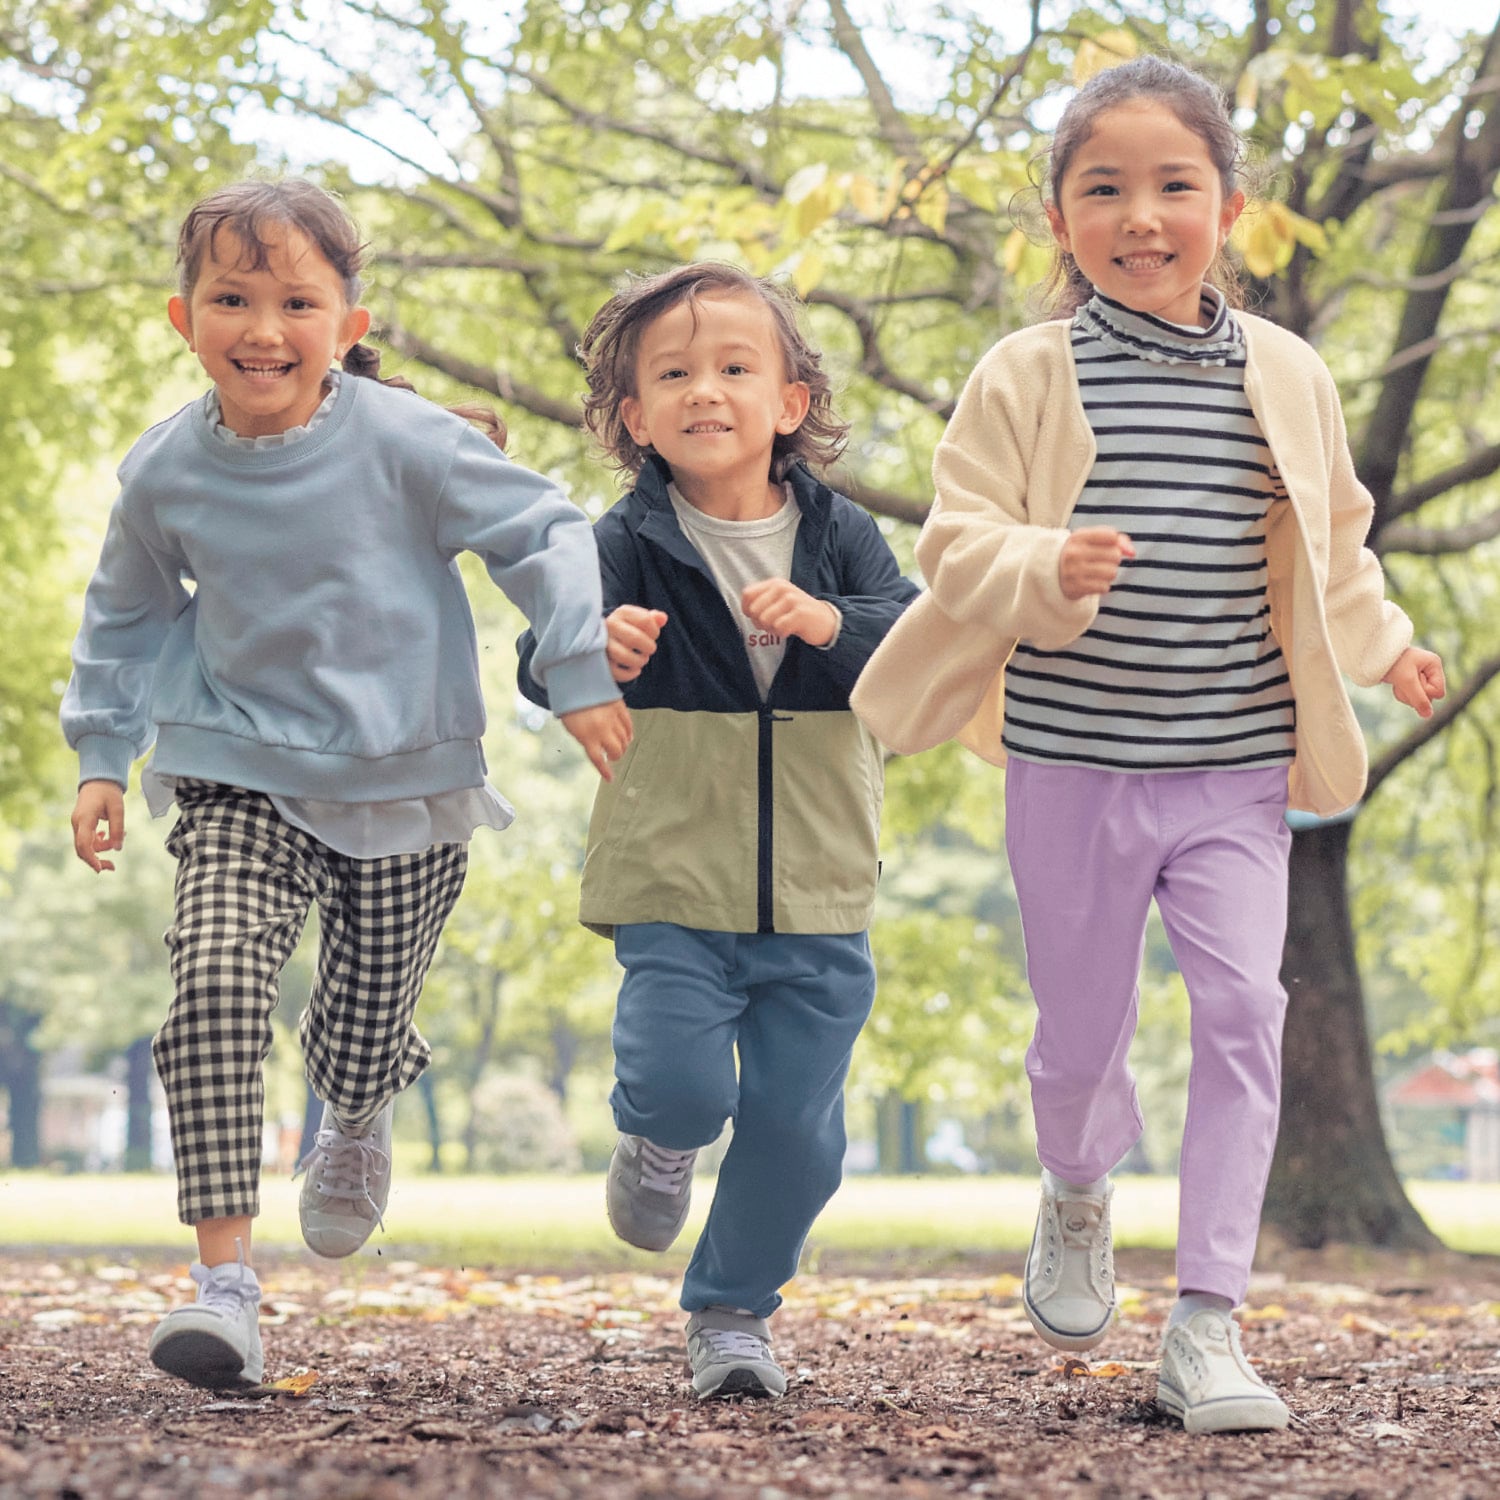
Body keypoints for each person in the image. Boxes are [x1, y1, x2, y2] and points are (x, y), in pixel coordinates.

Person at [850, 56, 1446, 1436]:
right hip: (1070, 765)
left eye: (1174, 186)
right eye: (1103, 189)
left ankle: (1209, 1323)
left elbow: (1334, 546)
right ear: (1060, 220)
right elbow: (954, 539)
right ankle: (1074, 1186)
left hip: (1237, 769)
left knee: (1247, 1015)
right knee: (1079, 1037)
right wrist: (1044, 563)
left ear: (1227, 207)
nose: (1142, 215)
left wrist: (1388, 645)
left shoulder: (1286, 374)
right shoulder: (1027, 371)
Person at [62, 179, 630, 1391]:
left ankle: (357, 1114)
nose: (262, 327)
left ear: (348, 323)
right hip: (234, 772)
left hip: (406, 778)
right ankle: (225, 1289)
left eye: (296, 301)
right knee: (209, 990)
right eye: (232, 298)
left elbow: (546, 530)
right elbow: (123, 618)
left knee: (363, 1032)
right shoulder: (165, 471)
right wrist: (103, 756)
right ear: (183, 318)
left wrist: (575, 666)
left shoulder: (409, 442)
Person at [518, 263, 918, 1400]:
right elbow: (544, 657)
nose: (707, 389)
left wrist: (831, 622)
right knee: (682, 1082)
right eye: (675, 373)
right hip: (671, 869)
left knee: (802, 1133)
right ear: (636, 417)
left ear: (791, 400)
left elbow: (910, 639)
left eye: (736, 367)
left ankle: (734, 1311)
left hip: (820, 878)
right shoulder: (624, 539)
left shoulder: (841, 534)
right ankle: (656, 1139)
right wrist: (598, 653)